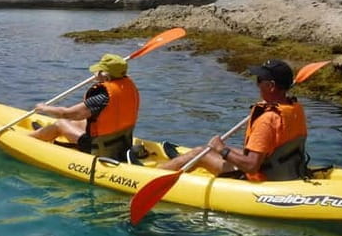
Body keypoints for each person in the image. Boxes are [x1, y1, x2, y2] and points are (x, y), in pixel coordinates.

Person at [159, 59, 309, 181]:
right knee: (208, 148)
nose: (257, 84)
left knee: (200, 153)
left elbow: (251, 166)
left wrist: (221, 149)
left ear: (270, 86)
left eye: (259, 80)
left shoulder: (267, 119)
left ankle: (154, 175)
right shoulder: (295, 108)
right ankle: (177, 162)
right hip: (285, 169)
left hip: (262, 175)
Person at [30, 53, 140, 161]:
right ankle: (47, 132)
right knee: (80, 121)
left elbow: (66, 113)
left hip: (99, 149)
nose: (96, 74)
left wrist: (44, 108)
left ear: (106, 76)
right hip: (122, 142)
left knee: (61, 122)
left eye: (99, 71)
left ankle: (29, 138)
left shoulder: (102, 96)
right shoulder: (128, 87)